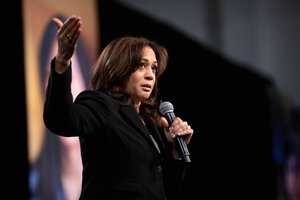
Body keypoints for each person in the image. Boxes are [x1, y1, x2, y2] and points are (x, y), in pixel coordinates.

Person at [43, 15, 194, 200]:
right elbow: (60, 120)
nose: (150, 75)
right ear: (119, 68)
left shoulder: (150, 124)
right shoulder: (101, 104)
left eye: (153, 68)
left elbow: (162, 191)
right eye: (141, 65)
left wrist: (176, 152)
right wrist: (62, 62)